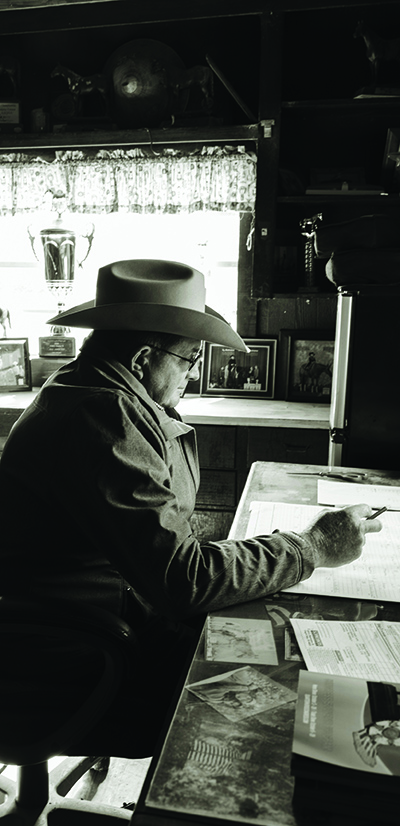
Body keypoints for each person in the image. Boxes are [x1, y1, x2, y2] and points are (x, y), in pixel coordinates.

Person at [0, 259, 381, 757]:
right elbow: (185, 581)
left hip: (101, 619)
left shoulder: (97, 389)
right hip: (75, 654)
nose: (196, 372)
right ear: (142, 357)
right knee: (281, 703)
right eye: (190, 358)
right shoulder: (105, 417)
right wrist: (313, 546)